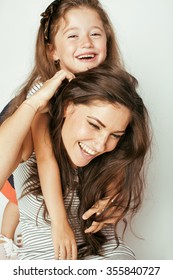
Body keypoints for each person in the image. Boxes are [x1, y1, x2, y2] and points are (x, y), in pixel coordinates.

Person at [0, 0, 124, 259]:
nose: (87, 42)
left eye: (95, 34)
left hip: (79, 197)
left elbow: (119, 155)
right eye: (73, 35)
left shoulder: (114, 94)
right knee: (18, 194)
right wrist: (60, 223)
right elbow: (45, 158)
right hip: (33, 166)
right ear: (52, 51)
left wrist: (114, 196)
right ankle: (7, 241)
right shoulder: (43, 95)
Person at [0, 64, 151, 259]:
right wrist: (33, 103)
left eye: (115, 135)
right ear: (67, 107)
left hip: (107, 255)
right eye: (94, 125)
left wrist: (115, 202)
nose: (100, 145)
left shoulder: (113, 154)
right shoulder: (32, 138)